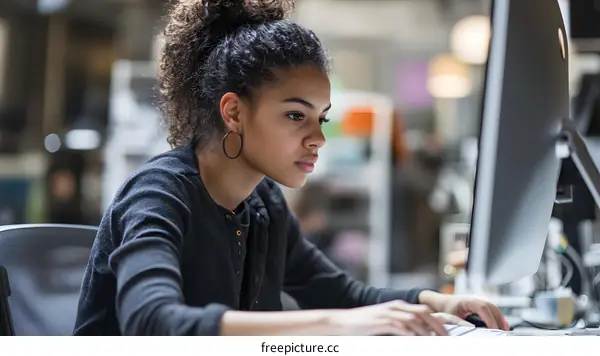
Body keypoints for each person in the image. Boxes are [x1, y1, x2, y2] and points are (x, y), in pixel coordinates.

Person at [73, 0, 509, 336]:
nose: (317, 137)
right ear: (234, 112)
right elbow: (152, 321)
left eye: (322, 117)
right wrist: (335, 327)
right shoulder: (159, 194)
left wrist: (439, 303)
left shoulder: (262, 204)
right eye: (296, 115)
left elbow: (341, 294)